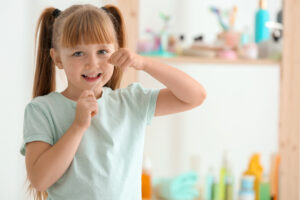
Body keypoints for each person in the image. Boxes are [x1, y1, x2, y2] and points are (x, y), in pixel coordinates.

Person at [20, 4, 207, 200]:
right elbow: (40, 180)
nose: (92, 63)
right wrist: (78, 126)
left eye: (102, 51)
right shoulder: (42, 110)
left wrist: (144, 63)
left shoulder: (131, 102)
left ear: (116, 51)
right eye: (78, 53)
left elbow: (195, 96)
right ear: (57, 58)